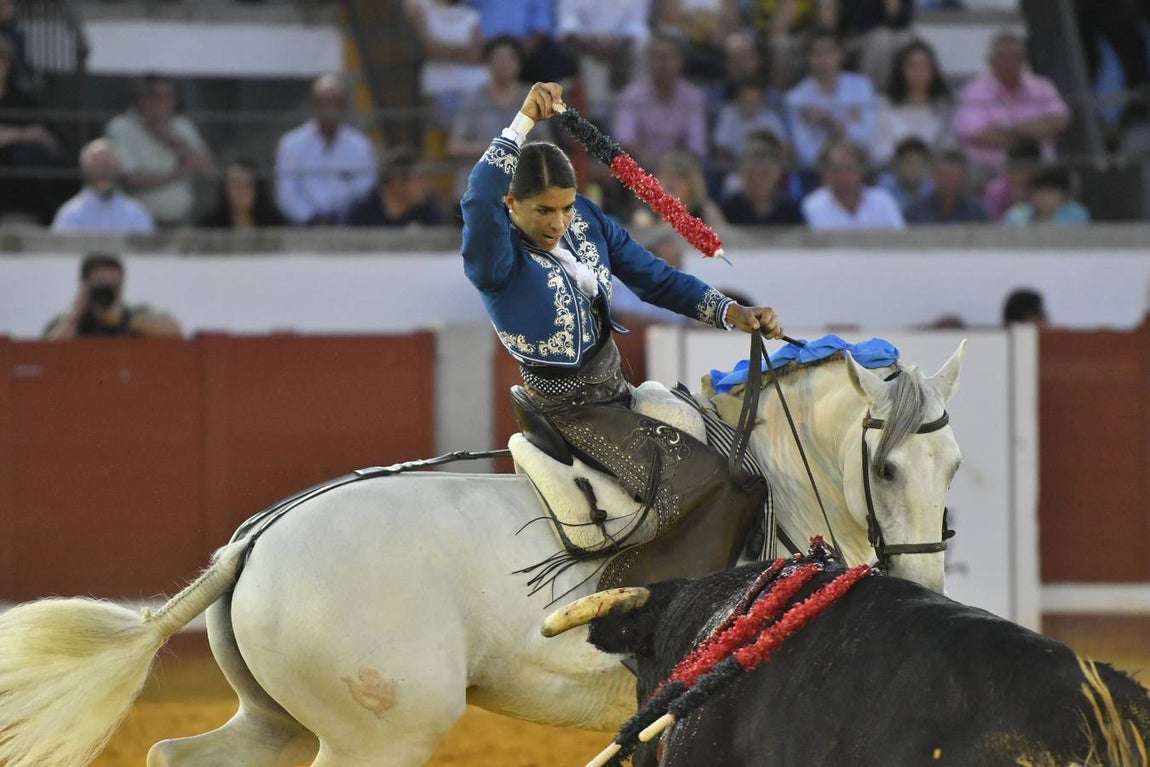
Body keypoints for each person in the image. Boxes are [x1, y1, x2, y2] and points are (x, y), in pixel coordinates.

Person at [460, 81, 780, 587]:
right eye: (543, 210)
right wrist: (521, 122)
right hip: (571, 413)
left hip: (617, 394)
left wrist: (729, 311)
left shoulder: (586, 219)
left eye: (565, 207)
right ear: (511, 203)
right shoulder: (493, 255)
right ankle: (654, 610)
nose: (558, 222)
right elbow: (476, 198)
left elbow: (654, 277)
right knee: (720, 487)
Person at [447, 35, 554, 200]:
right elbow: (454, 147)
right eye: (498, 58)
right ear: (488, 63)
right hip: (479, 186)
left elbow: (548, 145)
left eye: (510, 58)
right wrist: (496, 149)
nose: (504, 63)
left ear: (519, 63)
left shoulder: (534, 99)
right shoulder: (472, 99)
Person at [952, 30, 1071, 176]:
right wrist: (1028, 140)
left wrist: (1010, 128)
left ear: (1024, 59)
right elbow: (977, 133)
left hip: (1040, 171)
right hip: (989, 172)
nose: (1009, 62)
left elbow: (1059, 120)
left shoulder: (1042, 86)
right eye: (1003, 57)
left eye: (1015, 57)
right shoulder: (973, 90)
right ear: (990, 60)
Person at [105, 73, 216, 227]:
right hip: (138, 224)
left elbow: (207, 168)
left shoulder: (182, 125)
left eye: (170, 96)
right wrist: (175, 176)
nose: (165, 103)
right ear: (142, 99)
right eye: (157, 97)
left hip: (182, 222)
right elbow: (131, 181)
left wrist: (172, 141)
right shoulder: (121, 127)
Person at [274, 73, 378, 226]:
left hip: (349, 227)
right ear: (313, 104)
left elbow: (365, 189)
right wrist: (312, 218)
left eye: (335, 102)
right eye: (323, 102)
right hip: (304, 228)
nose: (329, 109)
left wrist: (342, 217)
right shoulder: (291, 144)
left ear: (343, 105)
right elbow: (286, 194)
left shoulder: (361, 146)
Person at [785, 28, 877, 173]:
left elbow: (866, 138)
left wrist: (828, 122)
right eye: (817, 53)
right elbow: (805, 153)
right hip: (818, 172)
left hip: (859, 166)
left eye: (828, 51)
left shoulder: (861, 87)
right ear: (808, 58)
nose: (823, 58)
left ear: (840, 55)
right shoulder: (797, 98)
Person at [0, 36, 69, 224]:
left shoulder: (22, 99)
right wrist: (23, 134)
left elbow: (47, 136)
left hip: (20, 196)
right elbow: (33, 132)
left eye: (2, 59)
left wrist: (13, 136)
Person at [613, 28, 709, 164]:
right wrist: (653, 162)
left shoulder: (693, 97)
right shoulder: (632, 95)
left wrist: (671, 165)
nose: (662, 64)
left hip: (680, 168)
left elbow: (696, 146)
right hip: (641, 168)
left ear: (681, 61)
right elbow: (625, 139)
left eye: (668, 57)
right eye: (657, 57)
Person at [42, 252, 181, 340]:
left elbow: (174, 331)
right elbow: (49, 352)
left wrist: (124, 321)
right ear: (85, 285)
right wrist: (76, 316)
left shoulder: (135, 314)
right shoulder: (70, 320)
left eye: (113, 287)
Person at [556, 0, 650, 120]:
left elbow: (638, 23)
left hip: (623, 46)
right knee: (566, 46)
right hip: (585, 44)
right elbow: (567, 21)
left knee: (642, 46)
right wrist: (587, 40)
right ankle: (591, 114)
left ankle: (632, 107)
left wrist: (617, 42)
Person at [405, 0, 488, 126]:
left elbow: (476, 54)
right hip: (440, 88)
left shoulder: (471, 15)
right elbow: (430, 49)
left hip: (472, 87)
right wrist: (462, 52)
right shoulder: (421, 7)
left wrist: (442, 50)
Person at [872, 38, 952, 166]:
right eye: (913, 66)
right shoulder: (883, 104)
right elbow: (878, 150)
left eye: (924, 65)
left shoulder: (943, 107)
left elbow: (948, 147)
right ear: (901, 69)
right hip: (892, 170)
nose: (919, 71)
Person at [51, 138, 155, 234]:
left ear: (119, 167)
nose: (104, 169)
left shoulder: (137, 214)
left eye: (108, 163)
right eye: (98, 164)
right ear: (85, 168)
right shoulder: (70, 214)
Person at [801, 139, 905, 229]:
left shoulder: (883, 201)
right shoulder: (812, 206)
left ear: (862, 170)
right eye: (837, 169)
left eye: (850, 168)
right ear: (826, 173)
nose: (844, 175)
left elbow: (902, 241)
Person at [339, 148, 446, 227]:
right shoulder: (360, 213)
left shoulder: (429, 213)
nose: (428, 186)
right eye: (421, 180)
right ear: (397, 182)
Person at [631, 149, 726, 230]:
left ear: (692, 185)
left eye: (678, 177)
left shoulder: (706, 212)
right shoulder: (645, 214)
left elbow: (724, 245)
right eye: (666, 176)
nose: (670, 183)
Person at [721, 145, 804, 225]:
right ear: (742, 175)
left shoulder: (790, 209)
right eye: (751, 173)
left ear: (777, 175)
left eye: (765, 173)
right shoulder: (730, 207)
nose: (757, 179)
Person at [904, 148, 989, 224]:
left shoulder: (977, 214)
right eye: (944, 177)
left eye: (954, 178)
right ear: (934, 177)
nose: (949, 183)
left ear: (964, 178)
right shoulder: (915, 213)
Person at [198, 159, 285, 229]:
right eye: (235, 186)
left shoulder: (275, 224)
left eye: (246, 185)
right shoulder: (209, 225)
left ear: (257, 189)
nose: (241, 192)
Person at [1002, 164, 1090, 227]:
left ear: (1064, 195)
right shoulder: (1016, 215)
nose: (1044, 197)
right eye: (1040, 192)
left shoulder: (1076, 214)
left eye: (1050, 193)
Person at [875, 136, 933, 211]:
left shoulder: (932, 187)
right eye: (908, 163)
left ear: (926, 167)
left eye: (918, 164)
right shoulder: (884, 188)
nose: (913, 169)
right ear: (897, 165)